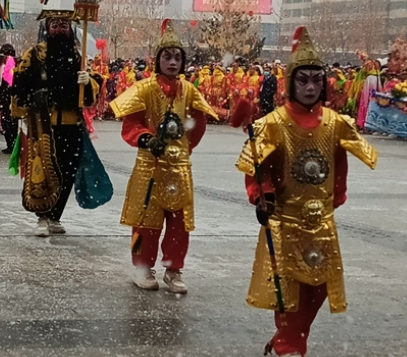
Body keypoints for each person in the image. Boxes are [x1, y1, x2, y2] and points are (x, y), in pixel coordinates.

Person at [237, 26, 377, 357]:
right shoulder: (272, 123)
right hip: (285, 222)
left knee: (316, 291)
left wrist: (334, 198)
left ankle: (288, 339)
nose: (311, 87)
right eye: (303, 80)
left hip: (321, 225)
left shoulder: (335, 122)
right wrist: (263, 195)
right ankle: (289, 346)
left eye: (317, 79)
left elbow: (343, 162)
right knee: (289, 293)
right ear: (291, 82)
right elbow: (260, 170)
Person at [110, 19, 217, 294]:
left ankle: (174, 269)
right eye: (167, 57)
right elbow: (130, 125)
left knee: (179, 225)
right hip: (149, 166)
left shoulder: (190, 91)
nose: (172, 62)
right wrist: (146, 138)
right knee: (144, 221)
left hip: (178, 168)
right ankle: (142, 266)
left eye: (177, 57)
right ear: (158, 60)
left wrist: (184, 149)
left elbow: (199, 124)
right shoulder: (144, 89)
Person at [11, 10, 101, 237]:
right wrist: (27, 106)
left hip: (71, 123)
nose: (60, 29)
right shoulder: (34, 55)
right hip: (43, 123)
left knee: (67, 171)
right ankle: (41, 215)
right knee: (42, 168)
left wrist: (88, 82)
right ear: (47, 29)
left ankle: (55, 216)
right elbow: (19, 84)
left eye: (64, 25)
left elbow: (91, 97)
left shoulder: (78, 57)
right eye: (55, 25)